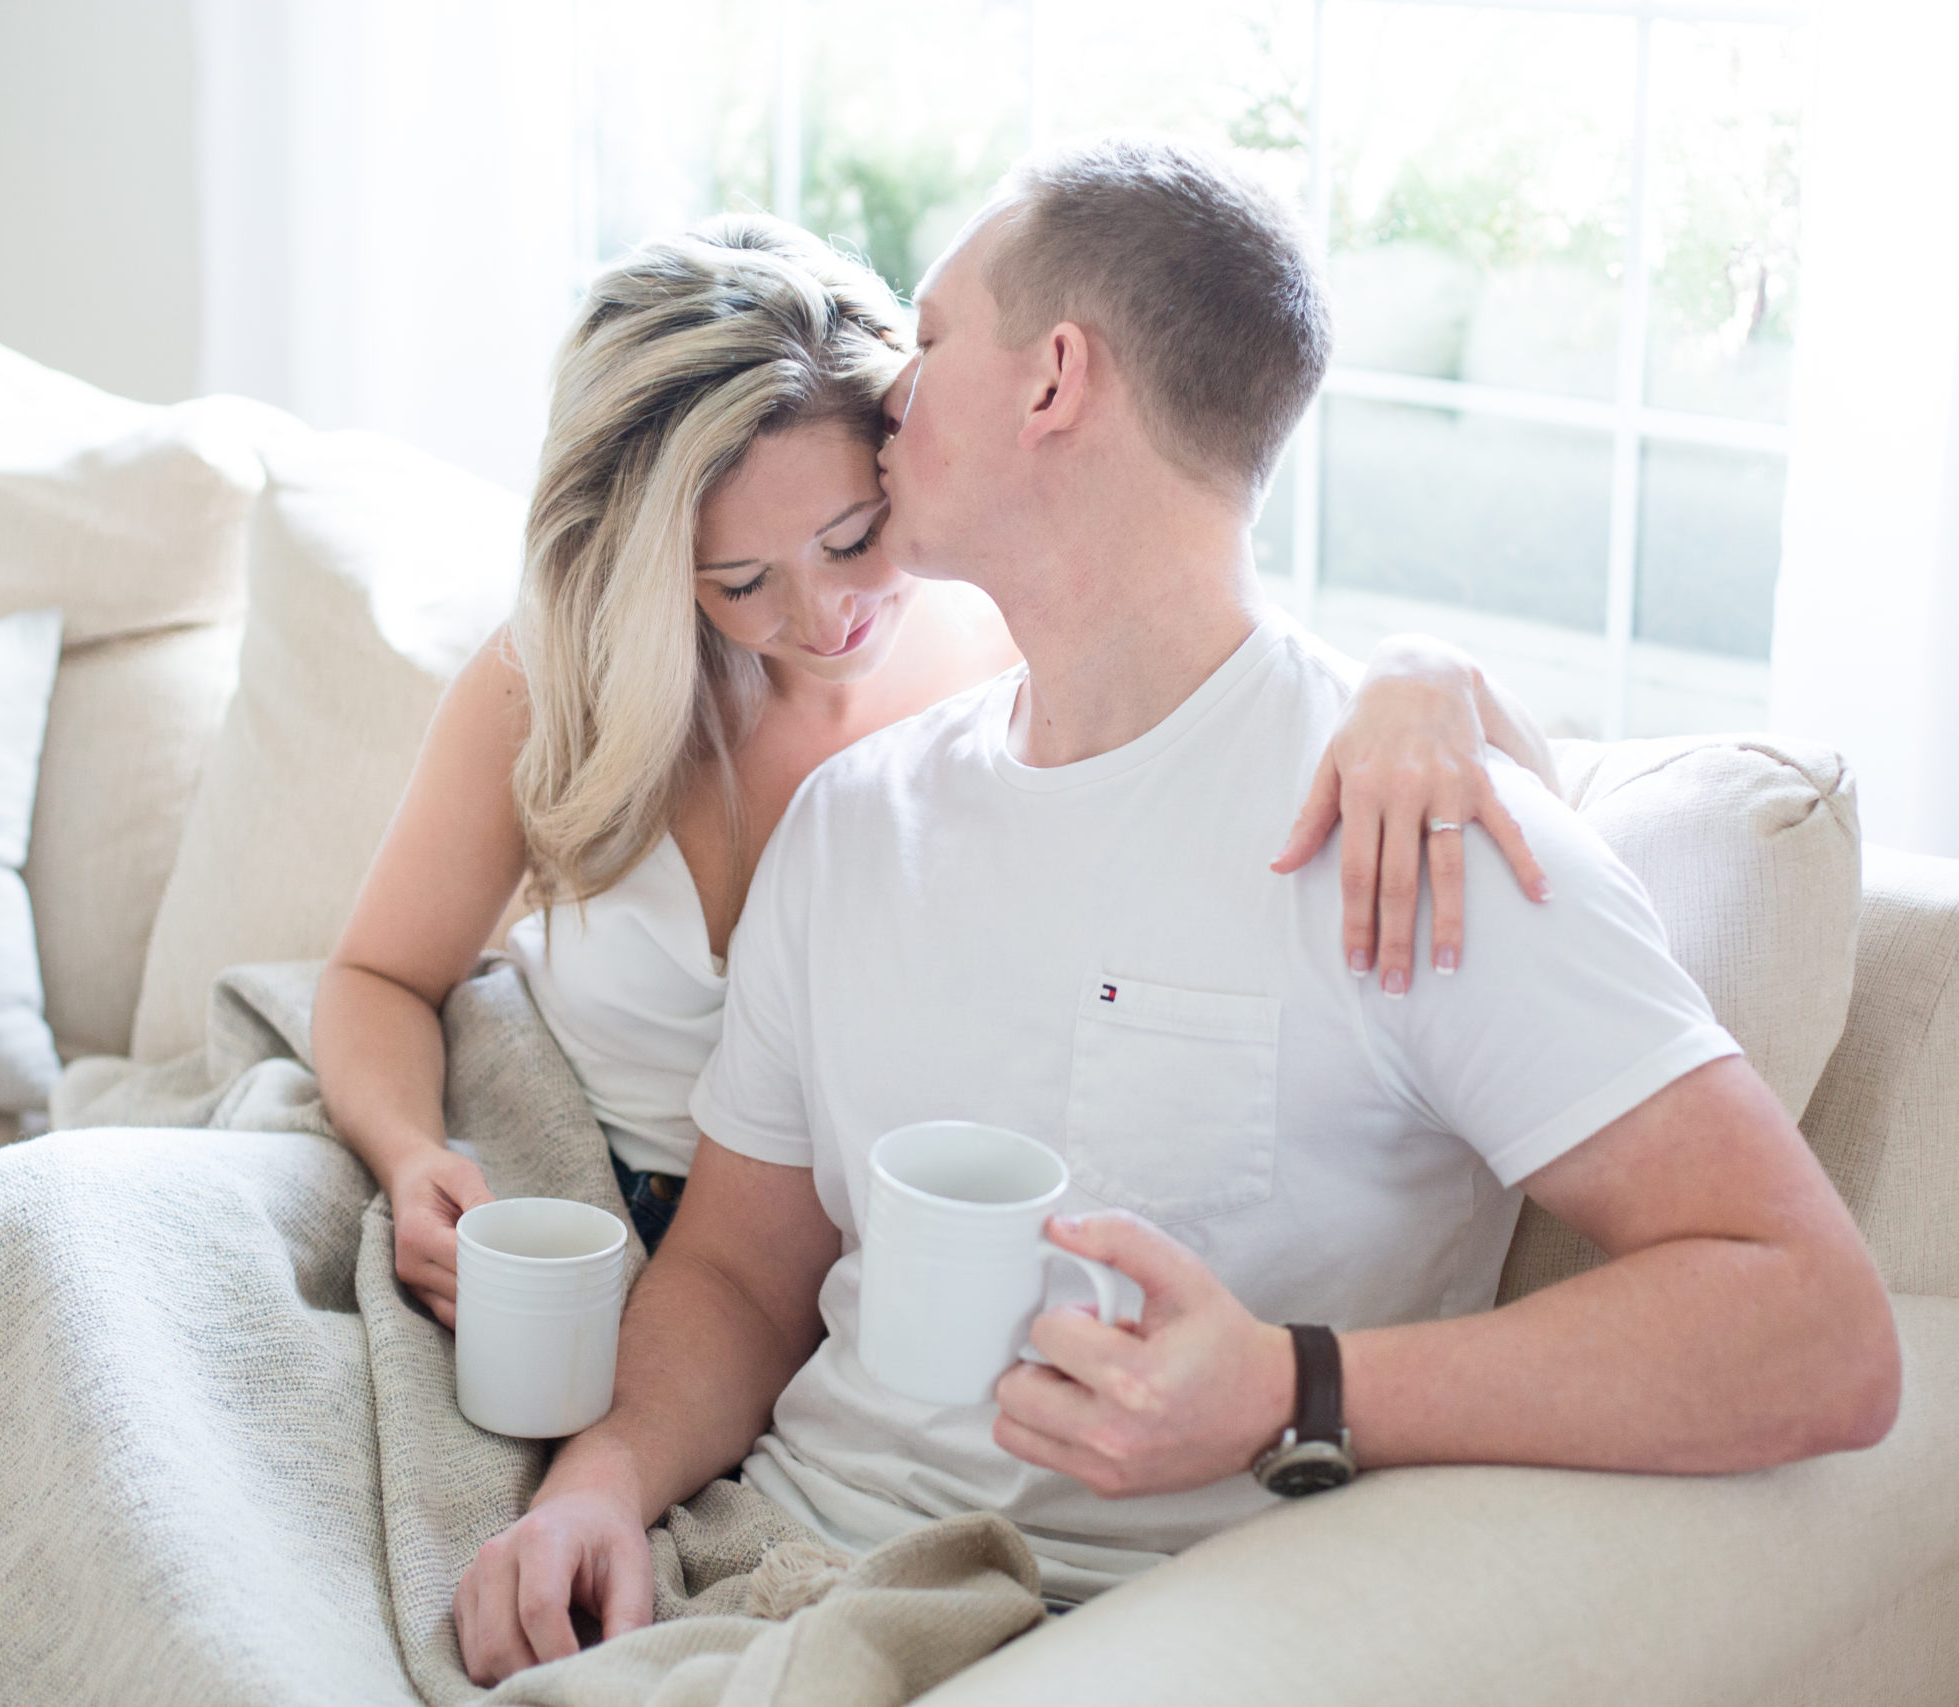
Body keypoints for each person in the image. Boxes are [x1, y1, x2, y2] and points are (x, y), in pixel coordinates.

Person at [454, 139, 1901, 1684]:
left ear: (1053, 379)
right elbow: (742, 1272)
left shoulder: (1412, 831)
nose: (890, 395)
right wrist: (600, 1480)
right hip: (762, 1550)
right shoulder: (852, 821)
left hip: (1110, 1629)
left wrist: (1296, 1387)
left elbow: (1820, 1330)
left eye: (930, 339)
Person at [312, 217, 1560, 1302]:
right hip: (550, 1208)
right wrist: (416, 1159)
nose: (823, 620)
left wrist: (1427, 671)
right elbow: (377, 976)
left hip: (851, 1270)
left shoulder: (1016, 667)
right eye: (739, 582)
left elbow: (1245, 678)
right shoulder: (553, 685)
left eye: (854, 537)